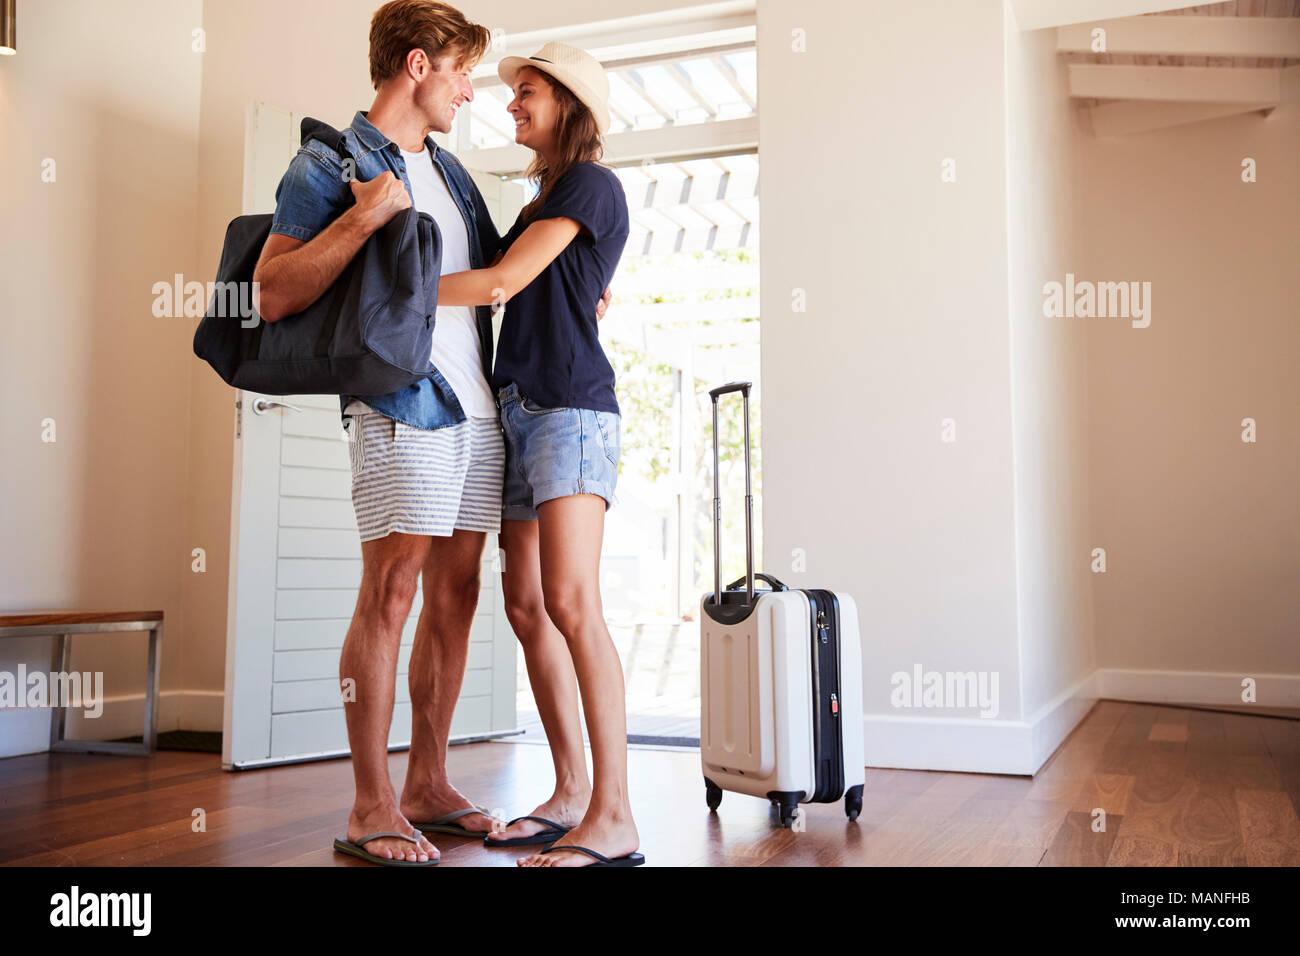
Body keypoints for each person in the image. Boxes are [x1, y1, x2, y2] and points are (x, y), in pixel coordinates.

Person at [251, 2, 608, 867]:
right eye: (461, 73)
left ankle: (428, 783)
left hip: (481, 410)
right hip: (401, 402)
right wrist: (361, 219)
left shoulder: (451, 174)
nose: (472, 92)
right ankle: (371, 804)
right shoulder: (330, 162)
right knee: (393, 592)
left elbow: (497, 279)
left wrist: (585, 290)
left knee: (457, 599)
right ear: (418, 65)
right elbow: (270, 290)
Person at [435, 41, 641, 867]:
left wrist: (376, 294)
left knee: (570, 601)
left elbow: (496, 284)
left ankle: (615, 814)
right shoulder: (547, 199)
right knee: (526, 607)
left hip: (570, 412)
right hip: (520, 411)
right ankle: (568, 794)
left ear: (567, 104)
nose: (511, 104)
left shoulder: (591, 182)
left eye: (527, 93)